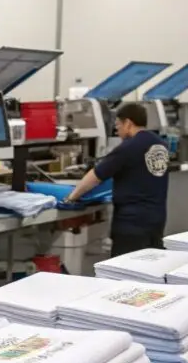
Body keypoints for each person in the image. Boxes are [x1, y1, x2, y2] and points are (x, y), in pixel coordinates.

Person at [66, 103, 170, 257]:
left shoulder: (128, 147)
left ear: (128, 123)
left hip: (131, 224)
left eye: (118, 125)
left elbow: (95, 176)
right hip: (156, 220)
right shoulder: (160, 145)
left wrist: (71, 197)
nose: (117, 130)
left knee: (124, 273)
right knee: (149, 269)